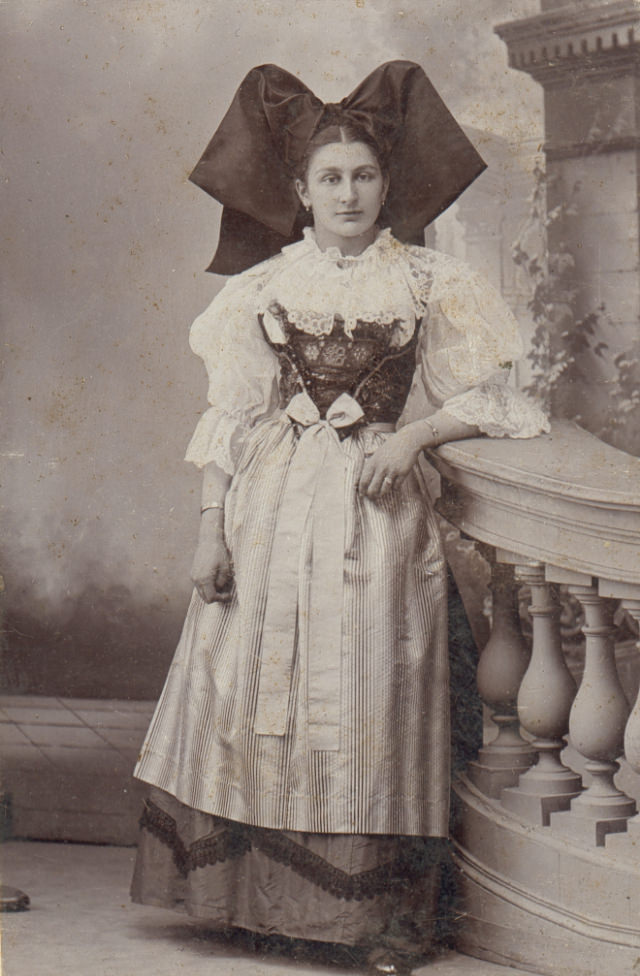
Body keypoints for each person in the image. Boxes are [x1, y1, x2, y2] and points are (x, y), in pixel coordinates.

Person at [131, 62, 548, 976]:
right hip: (270, 509)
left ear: (387, 185)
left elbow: (501, 397)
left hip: (376, 512)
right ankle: (257, 904)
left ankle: (376, 920)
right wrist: (211, 529)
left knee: (371, 693)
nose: (349, 193)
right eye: (331, 178)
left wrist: (418, 436)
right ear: (300, 192)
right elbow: (231, 418)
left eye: (364, 175)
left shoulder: (429, 280)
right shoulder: (263, 288)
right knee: (254, 689)